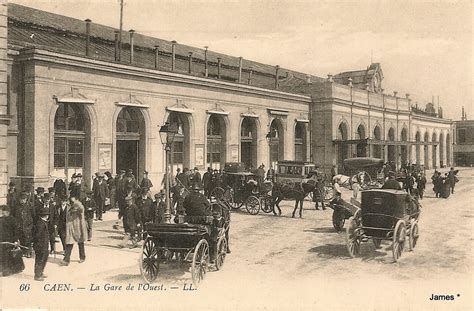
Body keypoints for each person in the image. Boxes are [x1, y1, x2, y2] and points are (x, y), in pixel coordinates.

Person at [61, 196, 87, 266]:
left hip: (78, 227)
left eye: (73, 201)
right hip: (70, 227)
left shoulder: (79, 206)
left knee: (80, 242)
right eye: (71, 201)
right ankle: (66, 260)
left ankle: (82, 257)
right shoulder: (69, 206)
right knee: (69, 243)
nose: (72, 202)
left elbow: (81, 208)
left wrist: (75, 202)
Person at [0, 204, 25, 277]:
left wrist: (16, 240)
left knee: (10, 255)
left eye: (2, 211)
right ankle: (5, 270)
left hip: (10, 241)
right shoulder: (1, 219)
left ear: (7, 211)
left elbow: (16, 231)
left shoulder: (13, 220)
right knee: (3, 255)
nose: (1, 212)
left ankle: (11, 270)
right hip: (2, 241)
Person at [12, 191, 34, 258]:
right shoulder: (16, 207)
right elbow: (13, 215)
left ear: (26, 199)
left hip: (28, 225)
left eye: (24, 199)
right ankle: (23, 251)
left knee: (28, 239)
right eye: (21, 199)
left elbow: (34, 216)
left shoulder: (30, 206)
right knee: (21, 239)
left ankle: (28, 252)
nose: (22, 200)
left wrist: (31, 224)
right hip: (19, 225)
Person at [32, 206, 50, 281]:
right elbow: (37, 236)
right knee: (39, 260)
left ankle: (41, 272)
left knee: (44, 258)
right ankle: (37, 275)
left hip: (44, 245)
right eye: (47, 214)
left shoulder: (43, 222)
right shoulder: (40, 224)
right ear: (45, 215)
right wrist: (38, 245)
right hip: (40, 245)